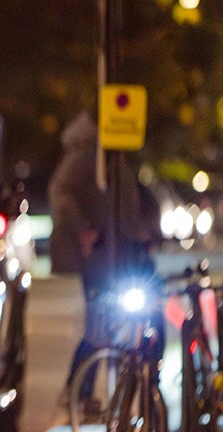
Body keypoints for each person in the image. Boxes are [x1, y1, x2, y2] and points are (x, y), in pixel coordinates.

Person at [49, 110, 160, 406]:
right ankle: (78, 392)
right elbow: (60, 193)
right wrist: (83, 230)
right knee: (99, 327)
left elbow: (143, 200)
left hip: (125, 254)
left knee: (148, 314)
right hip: (101, 257)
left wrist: (150, 232)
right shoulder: (88, 156)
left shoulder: (117, 157)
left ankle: (147, 383)